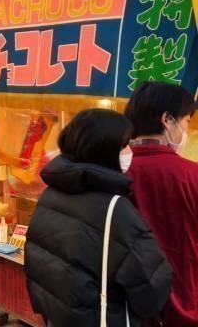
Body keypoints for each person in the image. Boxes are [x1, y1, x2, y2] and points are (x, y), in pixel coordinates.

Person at [25, 109, 173, 327]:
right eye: (124, 145)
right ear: (105, 149)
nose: (129, 151)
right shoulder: (116, 210)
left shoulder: (50, 194)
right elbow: (152, 293)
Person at [124, 81, 198, 326]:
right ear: (167, 120)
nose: (187, 129)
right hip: (185, 303)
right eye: (187, 120)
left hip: (126, 306)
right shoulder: (192, 174)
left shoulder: (111, 170)